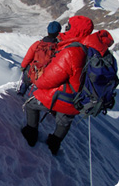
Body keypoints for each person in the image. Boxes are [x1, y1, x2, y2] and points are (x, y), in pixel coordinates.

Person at [21, 16, 95, 155]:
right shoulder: (89, 48)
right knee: (65, 120)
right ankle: (54, 144)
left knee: (31, 105)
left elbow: (48, 80)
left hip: (63, 95)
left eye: (69, 26)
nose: (66, 28)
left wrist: (34, 79)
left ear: (75, 30)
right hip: (79, 98)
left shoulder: (71, 51)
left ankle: (31, 134)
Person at [17, 21, 62, 96]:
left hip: (33, 72)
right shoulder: (58, 46)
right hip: (47, 75)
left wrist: (23, 66)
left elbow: (28, 57)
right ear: (58, 32)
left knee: (26, 78)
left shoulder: (38, 44)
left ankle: (21, 92)